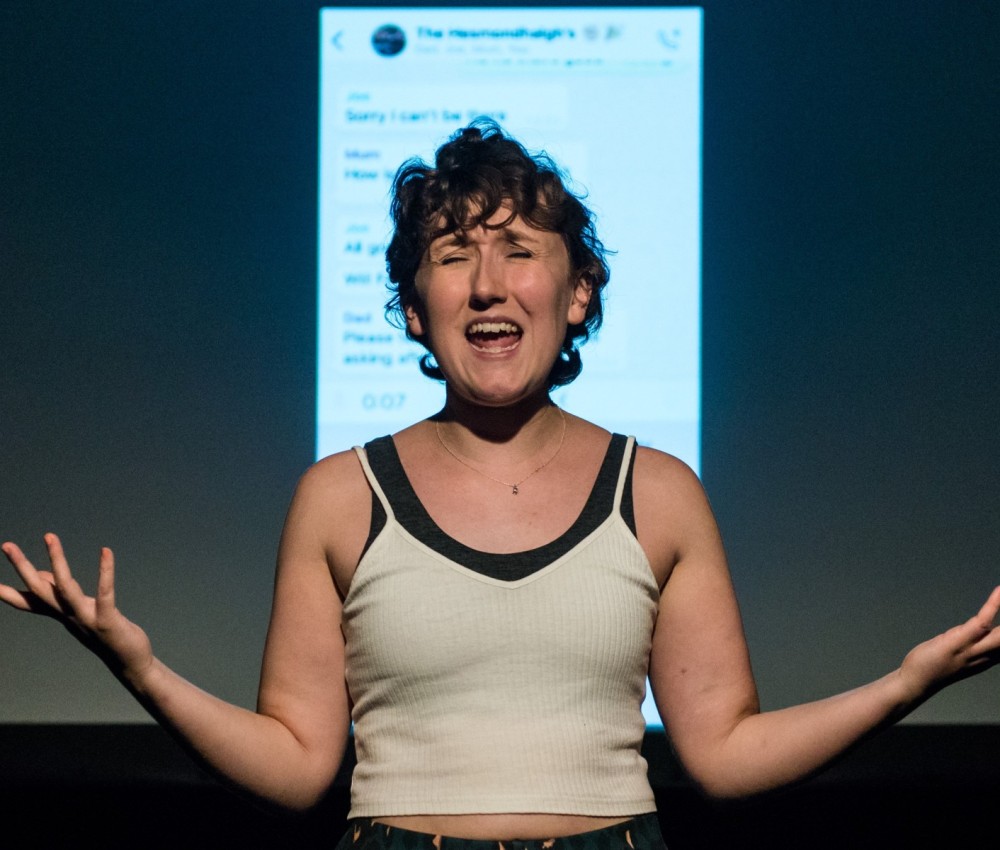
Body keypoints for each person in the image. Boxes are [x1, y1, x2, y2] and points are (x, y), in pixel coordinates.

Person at [2, 120, 998, 850]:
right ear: (411, 309)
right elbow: (300, 760)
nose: (486, 282)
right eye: (452, 256)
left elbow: (722, 752)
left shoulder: (656, 490)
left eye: (519, 250)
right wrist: (140, 668)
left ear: (576, 295)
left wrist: (906, 682)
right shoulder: (341, 495)